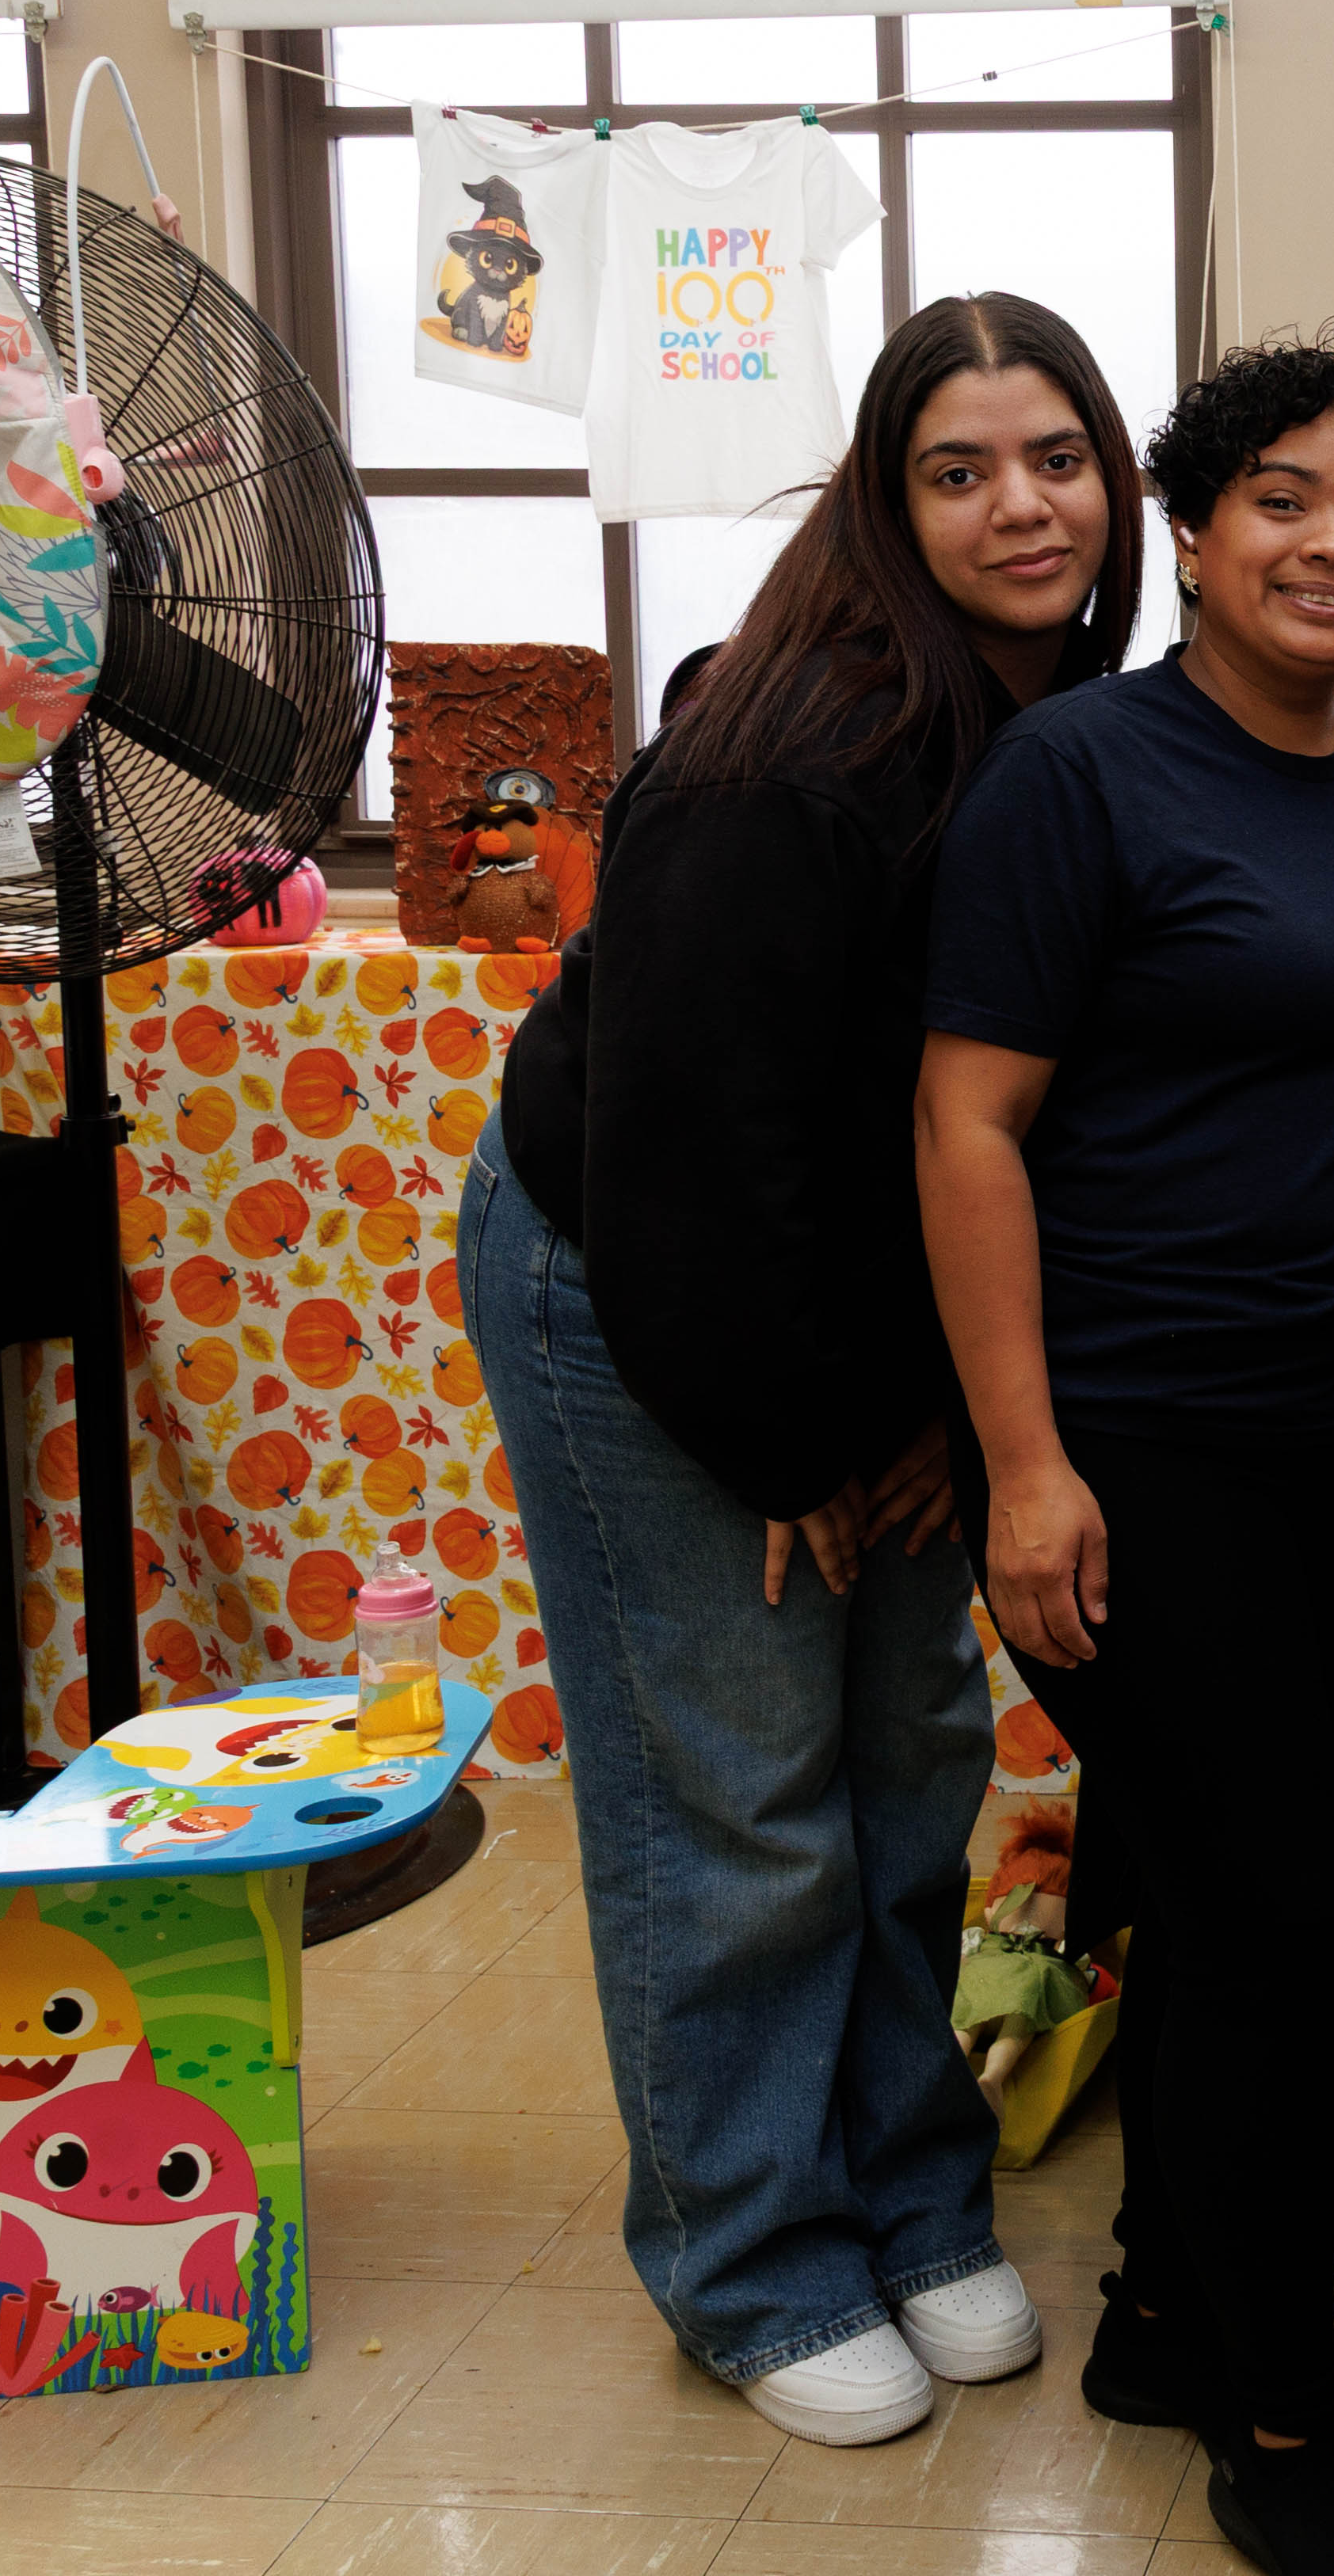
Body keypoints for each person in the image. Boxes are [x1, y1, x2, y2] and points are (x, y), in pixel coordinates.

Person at [466, 291, 1145, 2446]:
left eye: (1057, 458)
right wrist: (788, 1440)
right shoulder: (794, 757)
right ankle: (751, 2261)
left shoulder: (1065, 722)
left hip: (851, 1310)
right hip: (640, 1288)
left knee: (909, 1770)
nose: (1020, 507)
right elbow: (695, 1158)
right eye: (959, 470)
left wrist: (935, 1415)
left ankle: (911, 2198)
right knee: (741, 1796)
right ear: (885, 497)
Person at [917, 330, 1334, 2576]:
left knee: (1209, 1886)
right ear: (1190, 526)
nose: (1333, 543)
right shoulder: (1082, 775)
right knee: (1264, 1929)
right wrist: (1026, 1464)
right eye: (1285, 498)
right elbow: (967, 1122)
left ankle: (1163, 2306)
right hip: (1149, 1442)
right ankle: (1283, 2425)